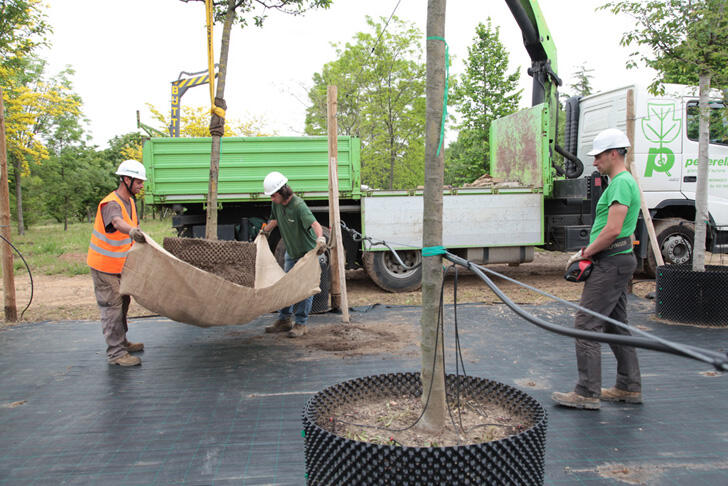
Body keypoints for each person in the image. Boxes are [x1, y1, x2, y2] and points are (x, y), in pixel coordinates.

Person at [552, 128, 643, 410]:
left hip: (611, 261)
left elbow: (613, 229)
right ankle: (629, 387)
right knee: (616, 326)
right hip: (618, 260)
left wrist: (584, 253)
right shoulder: (623, 182)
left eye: (598, 156)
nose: (594, 162)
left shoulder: (619, 184)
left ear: (613, 153)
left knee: (586, 324)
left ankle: (587, 392)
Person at [87, 159, 147, 367]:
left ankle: (122, 342)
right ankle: (116, 354)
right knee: (112, 308)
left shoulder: (130, 202)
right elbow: (117, 222)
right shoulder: (111, 203)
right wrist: (131, 231)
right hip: (104, 267)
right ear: (126, 179)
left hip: (121, 266)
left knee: (123, 304)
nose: (141, 186)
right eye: (138, 182)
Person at [260, 171, 326, 338]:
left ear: (282, 192)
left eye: (273, 195)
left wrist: (321, 239)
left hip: (307, 255)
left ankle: (301, 324)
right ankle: (284, 320)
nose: (271, 199)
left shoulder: (298, 206)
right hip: (291, 252)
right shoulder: (276, 204)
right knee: (286, 286)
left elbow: (315, 225)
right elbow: (275, 219)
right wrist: (265, 231)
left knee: (304, 289)